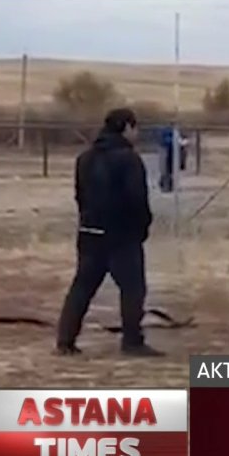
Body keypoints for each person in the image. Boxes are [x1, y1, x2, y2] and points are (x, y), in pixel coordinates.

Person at [55, 107, 163, 357]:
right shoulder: (129, 159)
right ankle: (132, 341)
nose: (137, 133)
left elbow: (79, 195)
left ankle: (65, 340)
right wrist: (142, 227)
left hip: (89, 232)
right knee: (133, 289)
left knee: (82, 287)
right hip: (121, 236)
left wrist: (87, 220)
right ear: (126, 127)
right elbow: (137, 199)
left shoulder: (84, 158)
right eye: (135, 128)